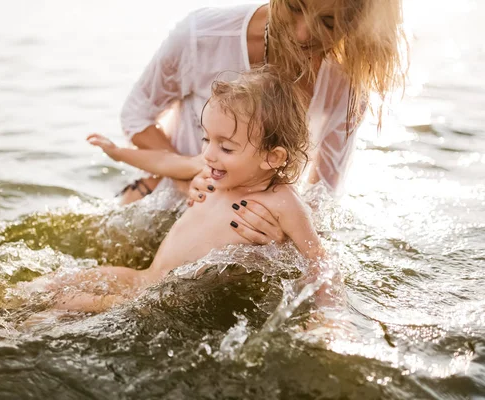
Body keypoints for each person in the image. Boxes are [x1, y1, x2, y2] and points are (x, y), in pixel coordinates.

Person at [34, 69, 334, 313]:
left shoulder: (282, 202)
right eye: (206, 139)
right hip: (142, 278)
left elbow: (320, 260)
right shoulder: (214, 172)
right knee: (46, 285)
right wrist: (119, 153)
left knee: (61, 307)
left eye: (226, 146)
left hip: (162, 301)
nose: (210, 153)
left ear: (273, 157)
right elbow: (166, 162)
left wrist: (331, 316)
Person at [115, 0, 406, 242]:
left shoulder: (346, 83)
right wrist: (191, 175)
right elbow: (136, 116)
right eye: (294, 6)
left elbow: (324, 194)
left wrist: (284, 232)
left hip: (241, 232)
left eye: (328, 23)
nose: (303, 34)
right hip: (159, 206)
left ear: (359, 23)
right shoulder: (203, 34)